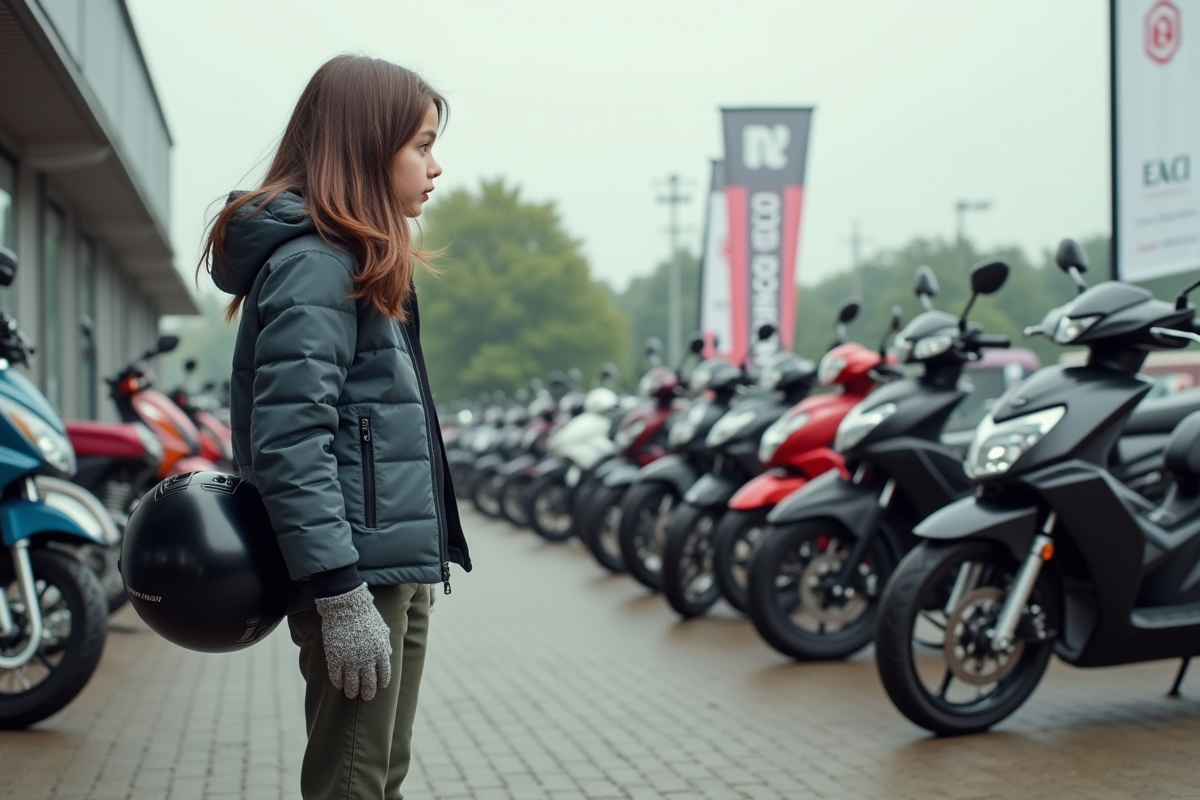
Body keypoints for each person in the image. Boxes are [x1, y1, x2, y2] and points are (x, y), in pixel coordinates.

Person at [200, 54, 471, 799]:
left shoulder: (358, 260)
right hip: (354, 573)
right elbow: (290, 443)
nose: (435, 166)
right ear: (363, 146)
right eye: (420, 144)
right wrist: (340, 592)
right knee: (351, 783)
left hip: (391, 565)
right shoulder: (318, 266)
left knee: (378, 776)